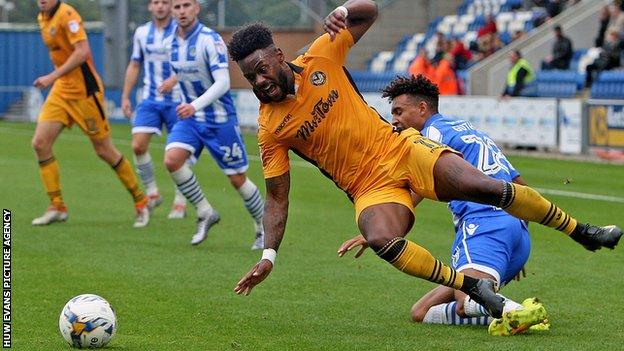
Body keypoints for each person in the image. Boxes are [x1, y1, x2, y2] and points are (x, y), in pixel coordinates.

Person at [228, 0, 621, 319]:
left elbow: (371, 11)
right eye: (250, 77)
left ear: (278, 56)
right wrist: (269, 255)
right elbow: (277, 197)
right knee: (383, 238)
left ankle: (581, 232)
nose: (259, 81)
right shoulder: (270, 129)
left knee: (482, 186)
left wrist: (346, 9)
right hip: (367, 187)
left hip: (400, 150)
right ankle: (472, 287)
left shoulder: (321, 57)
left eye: (262, 69)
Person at [338, 75, 548, 336]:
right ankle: (510, 311)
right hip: (512, 231)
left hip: (483, 227)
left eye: (399, 111)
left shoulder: (429, 135)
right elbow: (519, 185)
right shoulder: (467, 129)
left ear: (423, 108)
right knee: (421, 313)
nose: (394, 120)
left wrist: (381, 235)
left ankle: (519, 312)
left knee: (465, 304)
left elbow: (411, 195)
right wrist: (515, 238)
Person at [32, 0, 149, 227]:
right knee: (39, 143)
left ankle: (141, 201)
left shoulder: (68, 15)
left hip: (85, 93)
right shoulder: (42, 17)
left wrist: (52, 76)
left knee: (104, 150)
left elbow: (83, 51)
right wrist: (57, 79)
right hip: (61, 91)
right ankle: (57, 206)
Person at [164, 0, 265, 249]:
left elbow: (222, 83)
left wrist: (193, 105)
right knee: (172, 160)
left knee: (237, 178)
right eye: (177, 7)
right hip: (191, 119)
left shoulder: (211, 40)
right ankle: (205, 211)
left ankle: (263, 228)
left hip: (220, 120)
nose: (182, 11)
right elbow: (185, 74)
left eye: (187, 5)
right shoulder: (169, 43)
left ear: (196, 8)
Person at [121, 0, 188, 219]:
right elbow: (135, 64)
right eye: (156, 2)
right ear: (150, 6)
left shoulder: (181, 31)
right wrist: (125, 96)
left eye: (165, 2)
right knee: (138, 146)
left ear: (170, 6)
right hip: (150, 99)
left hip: (178, 99)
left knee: (177, 154)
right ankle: (152, 193)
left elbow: (191, 63)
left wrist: (174, 80)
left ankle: (180, 201)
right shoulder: (142, 33)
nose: (160, 6)